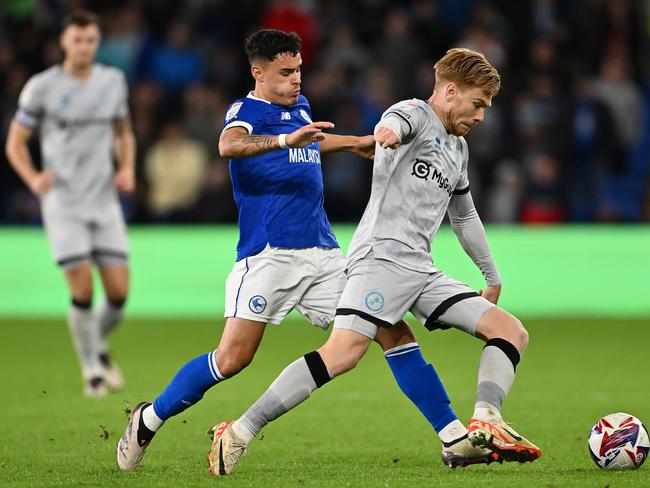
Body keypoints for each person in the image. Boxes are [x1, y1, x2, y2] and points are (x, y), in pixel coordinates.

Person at [117, 30, 491, 472]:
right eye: (285, 72)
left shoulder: (300, 106)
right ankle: (150, 417)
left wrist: (350, 143)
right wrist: (283, 141)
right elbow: (228, 146)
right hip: (268, 255)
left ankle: (454, 438)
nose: (296, 79)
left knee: (393, 332)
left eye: (298, 70)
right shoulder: (246, 110)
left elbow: (308, 142)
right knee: (232, 359)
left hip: (324, 255)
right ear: (258, 73)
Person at [207, 48, 542, 476]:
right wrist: (386, 132)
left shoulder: (458, 151)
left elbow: (465, 215)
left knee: (510, 330)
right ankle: (237, 432)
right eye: (477, 104)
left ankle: (485, 422)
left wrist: (491, 275)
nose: (480, 116)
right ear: (451, 92)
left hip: (420, 268)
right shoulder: (414, 114)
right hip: (379, 259)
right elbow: (395, 123)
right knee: (342, 355)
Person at [5, 10, 135, 397]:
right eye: (77, 40)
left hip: (104, 200)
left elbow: (123, 132)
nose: (84, 47)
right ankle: (92, 369)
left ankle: (96, 342)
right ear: (64, 42)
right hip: (63, 203)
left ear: (97, 43)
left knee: (118, 294)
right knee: (81, 289)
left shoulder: (112, 82)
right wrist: (33, 179)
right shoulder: (41, 87)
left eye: (90, 40)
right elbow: (15, 143)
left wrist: (126, 166)